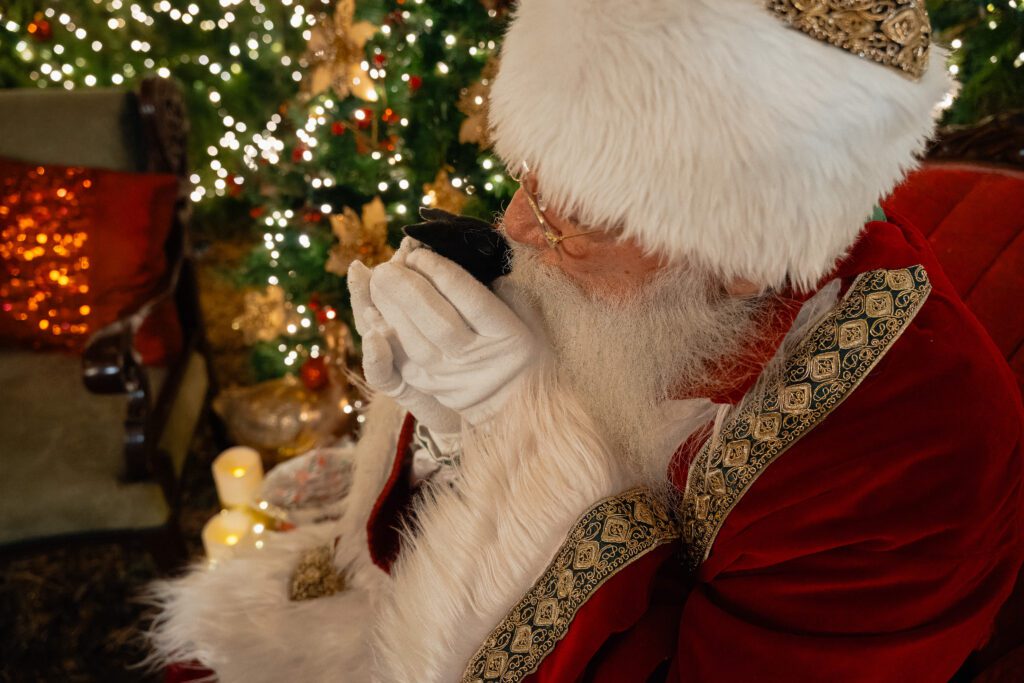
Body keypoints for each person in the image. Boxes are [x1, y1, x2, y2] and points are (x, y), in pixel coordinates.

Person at [149, 1, 1024, 681]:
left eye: (580, 221)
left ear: (741, 261)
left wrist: (517, 436)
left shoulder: (912, 448)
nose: (521, 229)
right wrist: (445, 435)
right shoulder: (625, 293)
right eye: (531, 179)